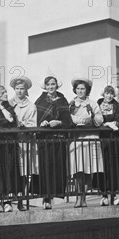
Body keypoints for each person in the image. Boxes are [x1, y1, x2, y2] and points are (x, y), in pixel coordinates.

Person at [35, 74, 72, 210]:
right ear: (45, 87)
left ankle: (54, 195)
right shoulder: (40, 101)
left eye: (53, 84)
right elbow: (35, 119)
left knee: (57, 167)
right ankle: (46, 197)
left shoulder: (63, 100)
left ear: (57, 85)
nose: (51, 87)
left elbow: (69, 122)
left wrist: (60, 122)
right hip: (44, 139)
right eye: (48, 85)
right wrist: (42, 122)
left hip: (59, 138)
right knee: (45, 167)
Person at [68, 77, 104, 208]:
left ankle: (84, 197)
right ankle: (78, 197)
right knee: (78, 170)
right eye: (78, 88)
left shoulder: (93, 103)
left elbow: (100, 119)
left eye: (82, 88)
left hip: (91, 138)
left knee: (88, 170)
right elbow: (67, 120)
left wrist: (92, 116)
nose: (80, 91)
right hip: (77, 140)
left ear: (87, 90)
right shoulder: (71, 104)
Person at [0, 84, 20, 213]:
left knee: (8, 170)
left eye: (6, 92)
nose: (6, 94)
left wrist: (1, 107)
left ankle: (7, 200)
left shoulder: (8, 107)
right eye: (3, 93)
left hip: (9, 144)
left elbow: (11, 120)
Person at [9, 76, 38, 211]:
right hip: (13, 142)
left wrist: (24, 126)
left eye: (22, 89)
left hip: (25, 142)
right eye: (17, 89)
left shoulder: (31, 106)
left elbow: (33, 124)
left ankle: (23, 199)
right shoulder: (9, 104)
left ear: (26, 90)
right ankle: (11, 198)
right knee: (13, 171)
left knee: (25, 172)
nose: (19, 91)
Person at [96, 85, 119, 206]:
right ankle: (104, 195)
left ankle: (114, 195)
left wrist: (112, 124)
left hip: (114, 141)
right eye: (106, 93)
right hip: (102, 140)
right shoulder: (97, 104)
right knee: (102, 167)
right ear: (103, 94)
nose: (108, 96)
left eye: (111, 93)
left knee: (114, 167)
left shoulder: (118, 106)